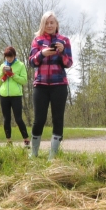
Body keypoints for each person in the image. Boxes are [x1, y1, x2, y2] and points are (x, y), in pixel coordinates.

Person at [28, 11, 73, 158]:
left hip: (59, 84)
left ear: (56, 24)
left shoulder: (64, 40)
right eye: (46, 23)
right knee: (39, 119)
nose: (49, 25)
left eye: (51, 22)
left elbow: (68, 63)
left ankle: (52, 156)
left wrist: (61, 52)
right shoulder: (37, 40)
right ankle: (33, 154)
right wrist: (42, 53)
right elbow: (32, 62)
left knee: (57, 118)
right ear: (43, 24)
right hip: (40, 84)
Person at [0, 46, 29, 146]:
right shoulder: (2, 66)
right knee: (6, 119)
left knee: (18, 118)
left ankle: (26, 140)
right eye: (7, 57)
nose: (9, 59)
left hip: (16, 96)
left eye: (10, 57)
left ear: (14, 56)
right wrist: (3, 73)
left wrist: (12, 75)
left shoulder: (21, 65)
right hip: (4, 95)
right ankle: (9, 141)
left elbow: (24, 80)